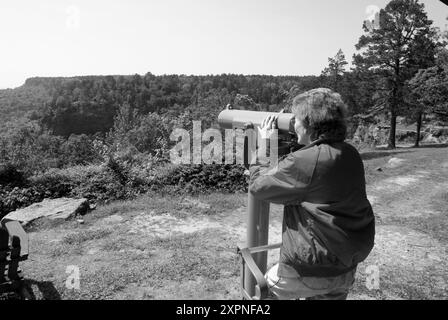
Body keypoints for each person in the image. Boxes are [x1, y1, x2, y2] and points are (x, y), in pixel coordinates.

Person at [249, 88, 375, 300]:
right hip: (344, 267)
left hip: (311, 270)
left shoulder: (308, 161)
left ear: (309, 123)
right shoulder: (349, 153)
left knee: (259, 293)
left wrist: (265, 145)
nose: (293, 124)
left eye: (296, 119)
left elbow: (259, 185)